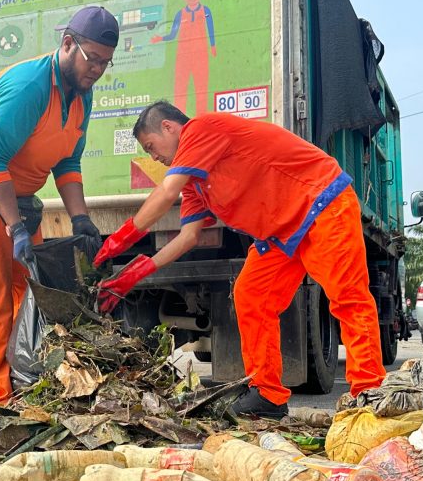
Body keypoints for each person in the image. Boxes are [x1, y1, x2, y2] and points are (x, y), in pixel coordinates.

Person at [93, 101, 385, 418]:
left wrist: (118, 239)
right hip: (281, 233)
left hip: (321, 201)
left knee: (347, 296)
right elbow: (187, 237)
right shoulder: (195, 183)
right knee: (251, 294)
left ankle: (367, 393)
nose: (153, 157)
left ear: (169, 127)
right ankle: (268, 396)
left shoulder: (201, 130)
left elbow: (165, 194)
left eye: (151, 146)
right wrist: (131, 276)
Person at [0, 6, 119, 407]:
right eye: (93, 60)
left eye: (106, 63)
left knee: (30, 291)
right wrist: (16, 228)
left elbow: (67, 161)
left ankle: (28, 388)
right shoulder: (30, 86)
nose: (98, 70)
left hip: (14, 198)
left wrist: (81, 217)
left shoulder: (82, 94)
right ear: (68, 44)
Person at [150, 0, 216, 114]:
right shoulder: (180, 14)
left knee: (201, 88)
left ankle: (202, 120)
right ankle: (180, 123)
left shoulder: (206, 11)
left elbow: (211, 29)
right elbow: (173, 34)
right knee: (180, 90)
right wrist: (160, 38)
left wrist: (213, 45)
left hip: (200, 54)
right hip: (183, 56)